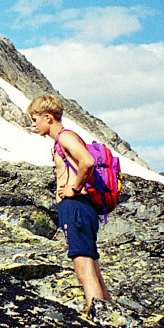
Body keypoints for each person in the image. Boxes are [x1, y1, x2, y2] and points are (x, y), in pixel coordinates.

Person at [27, 95, 112, 316]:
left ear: (48, 117)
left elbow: (88, 161)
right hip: (82, 208)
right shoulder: (63, 139)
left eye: (35, 119)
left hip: (75, 206)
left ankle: (99, 321)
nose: (33, 124)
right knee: (92, 267)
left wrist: (73, 189)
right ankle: (110, 318)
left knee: (84, 270)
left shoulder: (65, 138)